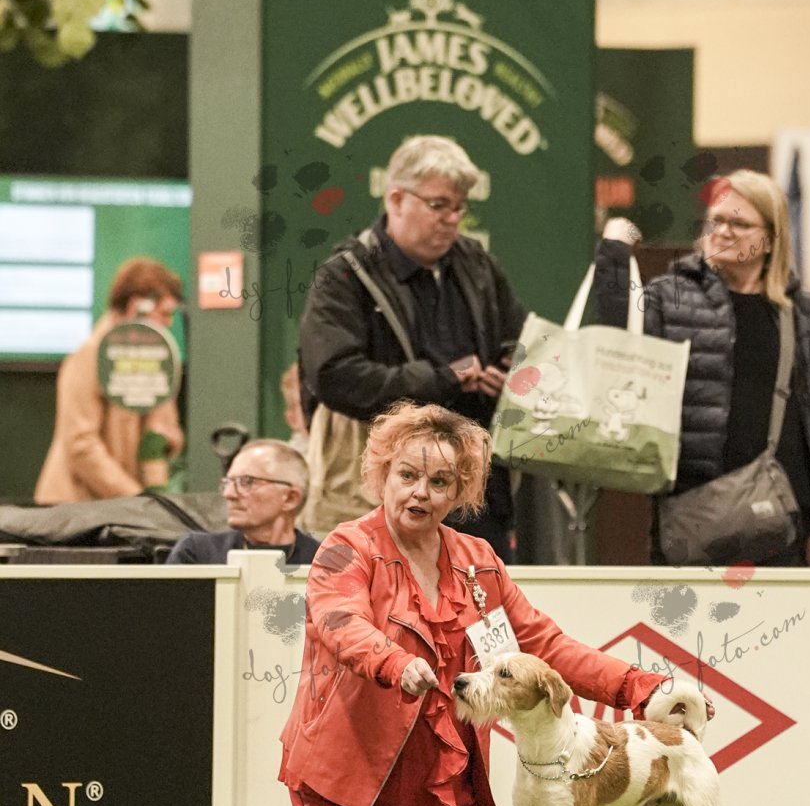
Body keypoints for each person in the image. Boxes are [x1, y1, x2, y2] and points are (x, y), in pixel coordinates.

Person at [257, 401, 678, 806]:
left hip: (437, 783)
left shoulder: (479, 562)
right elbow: (341, 624)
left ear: (460, 491)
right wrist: (394, 661)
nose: (420, 493)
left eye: (439, 482)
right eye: (407, 476)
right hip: (348, 775)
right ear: (382, 474)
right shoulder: (346, 547)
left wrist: (641, 687)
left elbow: (545, 646)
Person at [298, 134, 525, 558]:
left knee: (478, 597)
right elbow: (334, 375)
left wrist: (507, 374)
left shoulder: (478, 265)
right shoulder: (345, 276)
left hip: (472, 492)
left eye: (459, 207)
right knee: (386, 597)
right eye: (439, 205)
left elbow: (519, 341)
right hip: (377, 492)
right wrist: (442, 379)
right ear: (396, 199)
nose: (451, 219)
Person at [596, 171, 810, 566]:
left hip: (782, 520)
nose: (723, 232)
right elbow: (622, 340)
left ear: (770, 239)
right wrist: (614, 256)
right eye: (716, 220)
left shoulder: (803, 312)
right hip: (696, 513)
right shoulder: (672, 295)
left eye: (739, 224)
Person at [35, 258, 185, 504]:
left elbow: (162, 432)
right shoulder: (89, 356)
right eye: (164, 313)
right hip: (74, 506)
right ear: (137, 306)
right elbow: (81, 445)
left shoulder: (158, 358)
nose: (169, 322)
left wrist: (156, 495)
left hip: (126, 507)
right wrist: (135, 498)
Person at [167, 439, 319, 564]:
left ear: (291, 498)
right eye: (228, 482)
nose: (228, 494)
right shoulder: (198, 554)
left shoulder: (324, 563)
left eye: (247, 482)